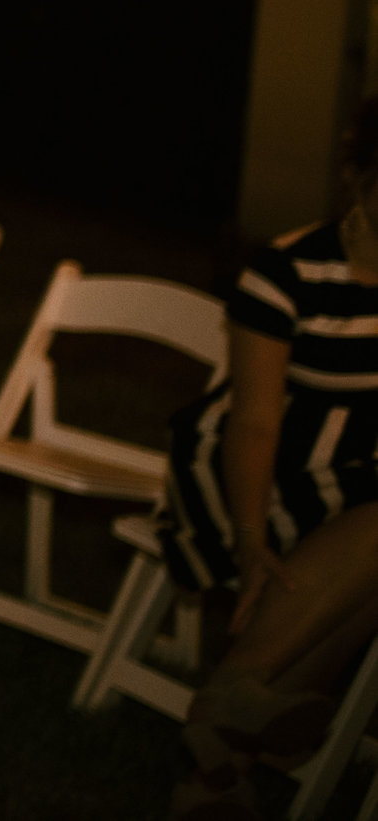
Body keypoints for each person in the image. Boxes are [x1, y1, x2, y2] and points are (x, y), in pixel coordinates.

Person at [160, 98, 378, 820]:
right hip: (250, 465)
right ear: (358, 180)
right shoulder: (288, 269)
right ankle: (239, 690)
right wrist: (251, 540)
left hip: (356, 472)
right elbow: (254, 419)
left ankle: (222, 760)